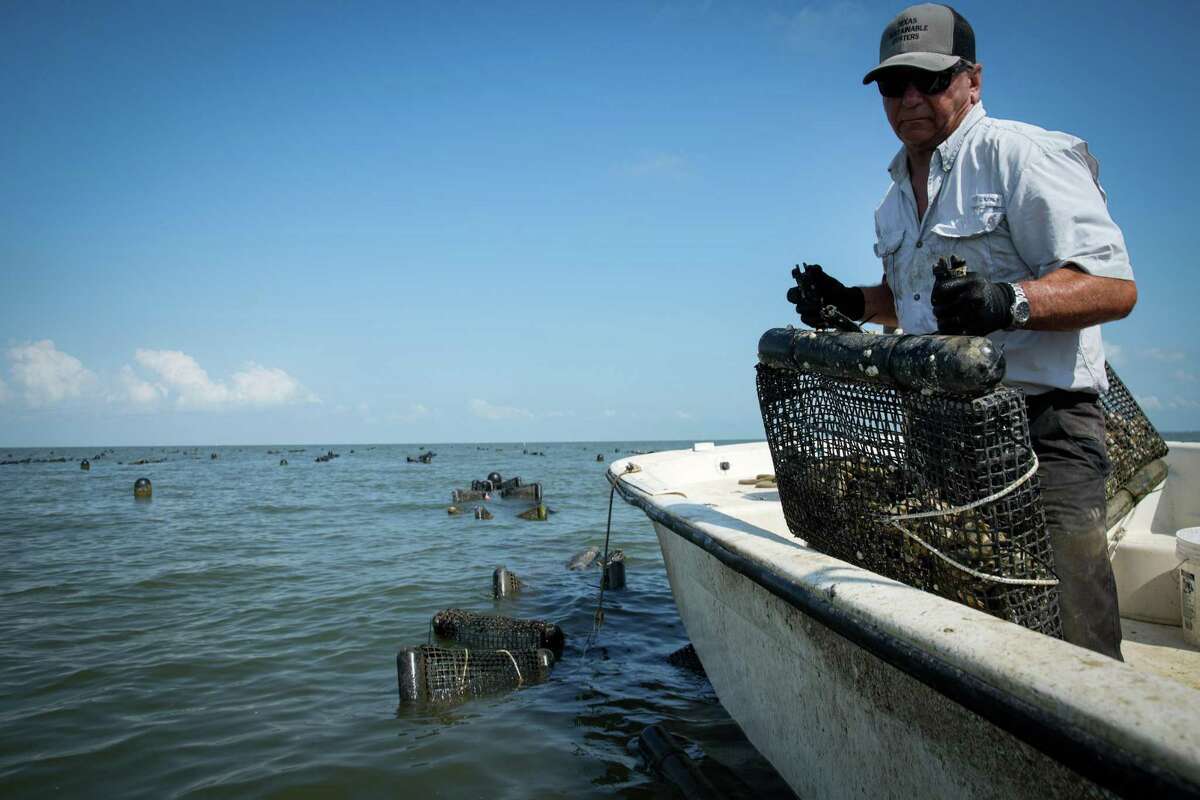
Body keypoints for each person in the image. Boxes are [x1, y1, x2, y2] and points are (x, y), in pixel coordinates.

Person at [787, 3, 1136, 659]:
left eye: (931, 79)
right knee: (967, 603)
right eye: (895, 85)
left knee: (1071, 601)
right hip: (941, 431)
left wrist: (1006, 302)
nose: (910, 97)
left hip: (1045, 421)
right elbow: (914, 303)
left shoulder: (1021, 156)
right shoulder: (892, 200)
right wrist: (852, 300)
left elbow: (1114, 287)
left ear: (973, 80)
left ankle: (1098, 731)